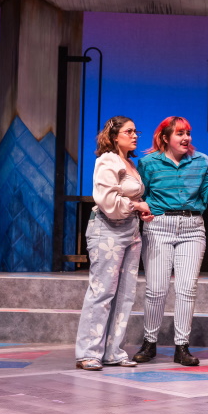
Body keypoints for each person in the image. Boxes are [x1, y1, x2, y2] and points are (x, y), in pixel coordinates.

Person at [132, 116, 208, 366]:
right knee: (156, 289)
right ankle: (149, 343)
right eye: (179, 133)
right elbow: (141, 194)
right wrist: (141, 209)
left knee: (186, 289)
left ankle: (182, 346)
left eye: (188, 133)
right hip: (159, 226)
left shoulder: (202, 161)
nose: (186, 137)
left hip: (192, 228)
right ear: (165, 137)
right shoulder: (148, 163)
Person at [75, 116, 151, 370]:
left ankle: (113, 350)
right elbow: (107, 202)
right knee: (102, 292)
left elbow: (125, 199)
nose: (135, 135)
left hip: (130, 232)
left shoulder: (130, 163)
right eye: (129, 131)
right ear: (114, 135)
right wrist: (137, 205)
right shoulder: (107, 160)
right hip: (107, 232)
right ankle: (88, 352)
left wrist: (141, 211)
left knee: (125, 294)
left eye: (135, 130)